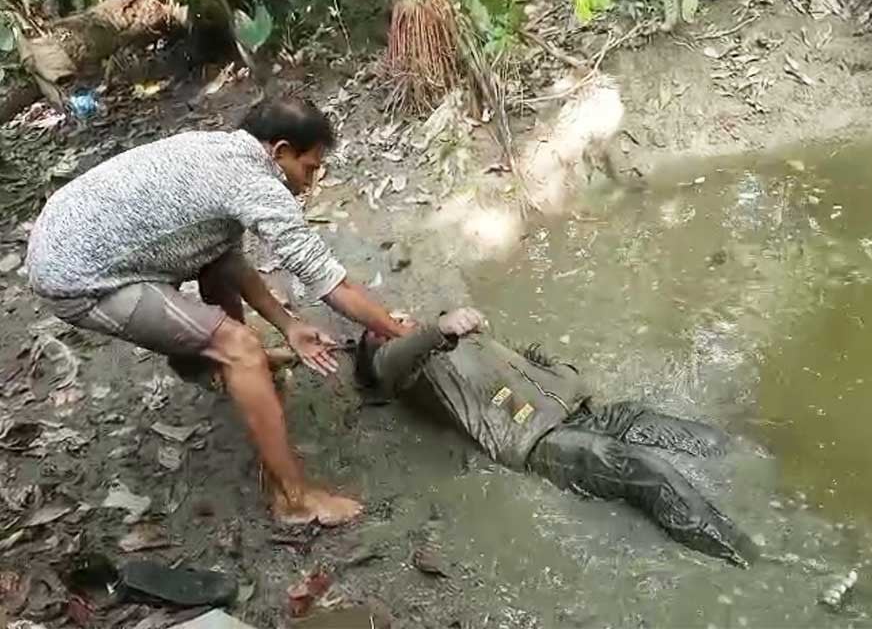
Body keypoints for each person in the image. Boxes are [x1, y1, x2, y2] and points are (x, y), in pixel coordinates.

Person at [26, 97, 410, 526]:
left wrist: (288, 325)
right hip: (76, 276)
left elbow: (224, 257)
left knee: (221, 286)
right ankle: (294, 499)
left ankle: (229, 371)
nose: (309, 184)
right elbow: (331, 284)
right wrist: (401, 334)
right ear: (280, 151)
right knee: (238, 345)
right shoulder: (255, 182)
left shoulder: (220, 149)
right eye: (309, 169)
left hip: (67, 234)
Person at [355, 308, 758, 567]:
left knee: (691, 435)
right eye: (384, 325)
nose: (396, 319)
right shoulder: (404, 370)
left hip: (586, 411)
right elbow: (394, 357)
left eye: (398, 315)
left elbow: (522, 357)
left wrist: (562, 372)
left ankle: (754, 466)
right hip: (541, 440)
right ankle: (743, 552)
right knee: (645, 469)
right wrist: (439, 328)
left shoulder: (458, 343)